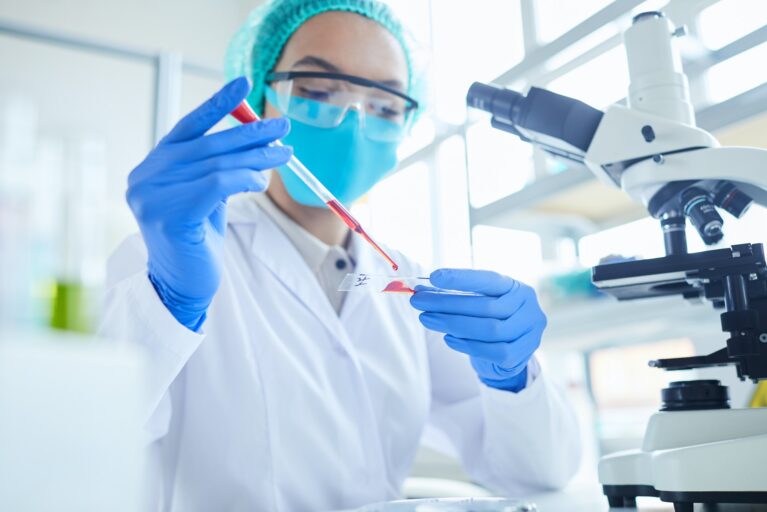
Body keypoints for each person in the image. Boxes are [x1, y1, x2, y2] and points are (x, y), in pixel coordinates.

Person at [101, 0, 581, 510]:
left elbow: (541, 473)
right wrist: (169, 306)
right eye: (318, 90)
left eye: (385, 104)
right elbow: (85, 438)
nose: (353, 120)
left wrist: (513, 377)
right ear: (264, 100)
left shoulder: (408, 283)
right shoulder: (169, 258)